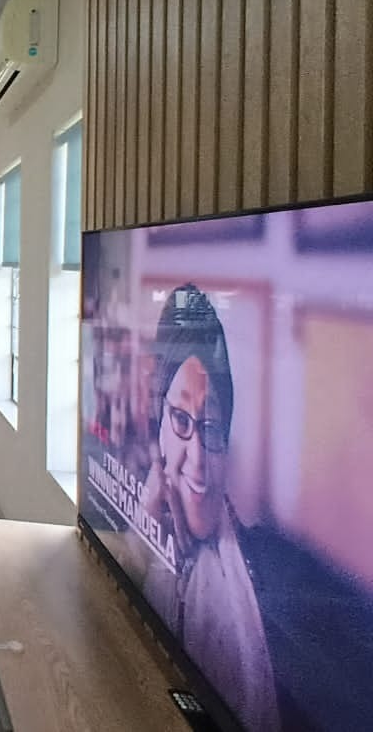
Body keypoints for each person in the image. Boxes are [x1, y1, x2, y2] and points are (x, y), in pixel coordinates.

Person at [140, 285, 279, 732]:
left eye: (212, 427)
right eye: (181, 420)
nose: (199, 460)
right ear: (159, 426)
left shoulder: (269, 586)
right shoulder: (136, 534)